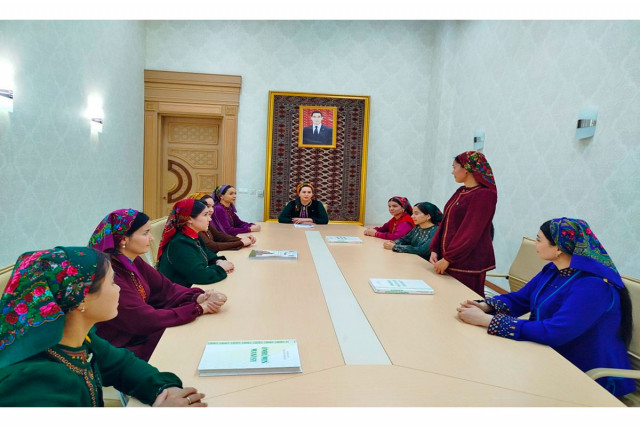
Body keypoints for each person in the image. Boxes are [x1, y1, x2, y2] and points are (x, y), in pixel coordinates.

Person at [0, 246, 207, 407]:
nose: (119, 289)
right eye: (112, 282)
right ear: (81, 299)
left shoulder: (76, 337)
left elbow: (123, 366)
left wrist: (164, 389)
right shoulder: (33, 381)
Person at [456, 218, 635, 398]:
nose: (535, 244)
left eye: (539, 239)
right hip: (550, 354)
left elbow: (555, 332)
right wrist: (485, 306)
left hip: (587, 375)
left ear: (558, 249)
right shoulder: (553, 270)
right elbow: (521, 299)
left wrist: (486, 320)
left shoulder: (593, 287)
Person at [88, 208, 227, 361]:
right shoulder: (110, 275)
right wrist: (199, 308)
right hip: (124, 347)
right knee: (192, 348)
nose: (152, 238)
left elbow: (166, 289)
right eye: (145, 233)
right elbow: (143, 318)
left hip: (143, 333)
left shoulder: (133, 261)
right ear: (123, 239)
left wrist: (199, 297)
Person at [429, 151, 497, 297]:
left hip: (467, 262)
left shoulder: (484, 195)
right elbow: (445, 222)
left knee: (461, 300)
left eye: (454, 167)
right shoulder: (461, 191)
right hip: (448, 258)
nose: (452, 172)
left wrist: (449, 258)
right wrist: (435, 249)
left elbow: (471, 231)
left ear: (466, 168)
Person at [157, 199, 234, 288]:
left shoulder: (192, 236)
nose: (210, 219)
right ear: (189, 219)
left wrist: (218, 261)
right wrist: (221, 268)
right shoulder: (180, 243)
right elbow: (199, 275)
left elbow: (207, 254)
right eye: (205, 215)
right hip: (178, 293)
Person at [187, 192, 256, 251]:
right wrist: (241, 242)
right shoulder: (195, 225)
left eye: (212, 206)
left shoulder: (227, 209)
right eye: (208, 206)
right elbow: (211, 246)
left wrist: (241, 239)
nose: (211, 210)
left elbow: (219, 236)